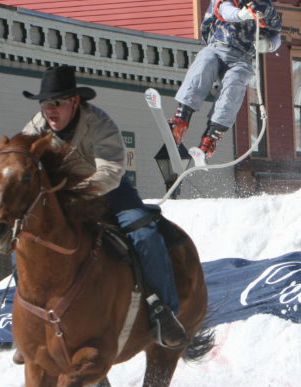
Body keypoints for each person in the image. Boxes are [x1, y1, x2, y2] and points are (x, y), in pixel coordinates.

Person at [21, 64, 187, 348]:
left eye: (57, 102)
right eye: (45, 103)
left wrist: (76, 192)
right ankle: (30, 322)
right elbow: (21, 161)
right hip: (64, 198)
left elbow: (111, 171)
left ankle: (165, 312)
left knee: (145, 234)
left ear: (75, 102)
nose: (50, 110)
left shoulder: (100, 124)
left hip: (108, 192)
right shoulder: (37, 127)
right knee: (24, 245)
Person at [168, 0, 282, 160]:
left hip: (242, 56)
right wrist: (241, 14)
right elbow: (224, 9)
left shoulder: (265, 5)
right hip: (218, 46)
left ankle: (211, 136)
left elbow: (276, 33)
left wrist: (269, 44)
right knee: (203, 64)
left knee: (234, 84)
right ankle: (182, 118)